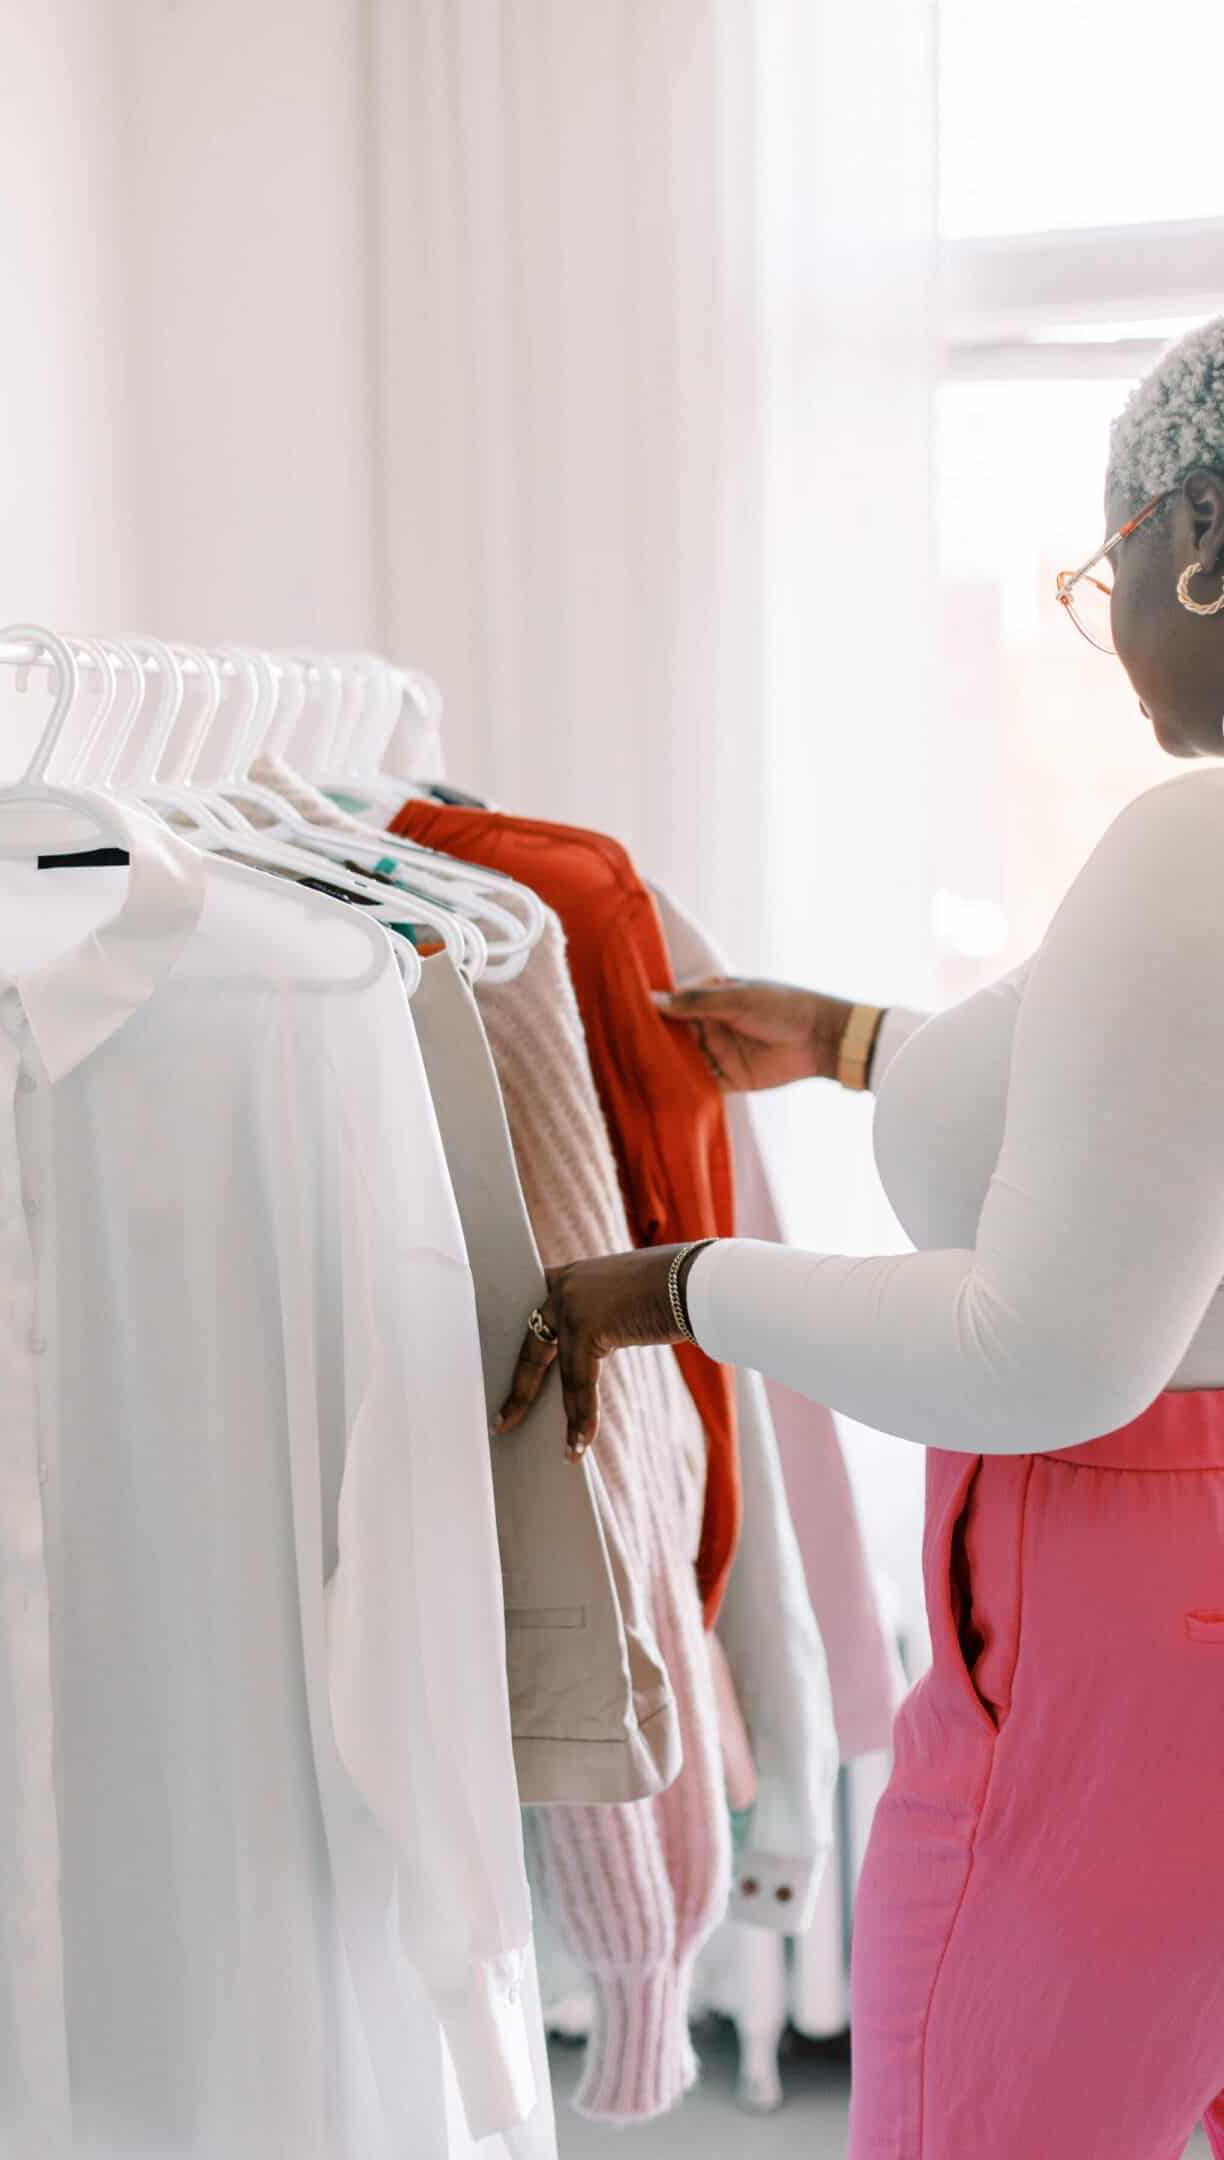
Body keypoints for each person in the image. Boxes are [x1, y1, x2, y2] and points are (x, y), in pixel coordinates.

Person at [496, 316, 1224, 2159]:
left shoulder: (1196, 845)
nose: (1106, 614)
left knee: (994, 2107)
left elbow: (1046, 1354)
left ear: (1195, 538)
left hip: (1132, 1608)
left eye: (1104, 565)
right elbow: (1160, 1131)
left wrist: (670, 1287)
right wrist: (850, 1045)